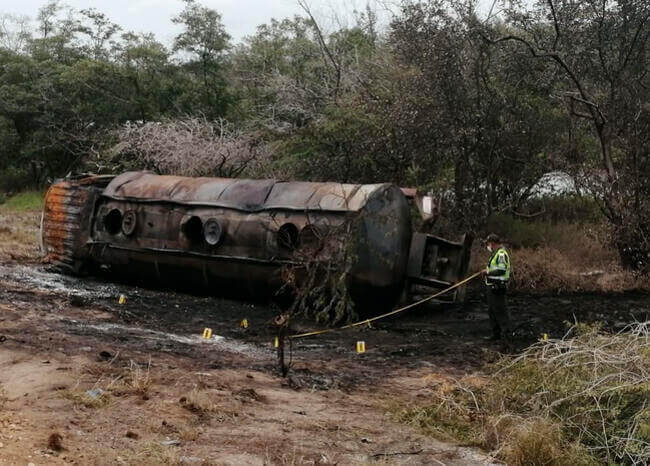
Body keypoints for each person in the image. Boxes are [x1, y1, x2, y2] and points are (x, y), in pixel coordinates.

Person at [484, 233, 511, 341]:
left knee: (500, 311)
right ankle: (496, 334)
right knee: (492, 311)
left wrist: (487, 272)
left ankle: (506, 335)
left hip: (498, 287)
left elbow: (501, 270)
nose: (488, 246)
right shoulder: (495, 253)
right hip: (491, 286)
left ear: (492, 243)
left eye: (489, 243)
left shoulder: (501, 254)